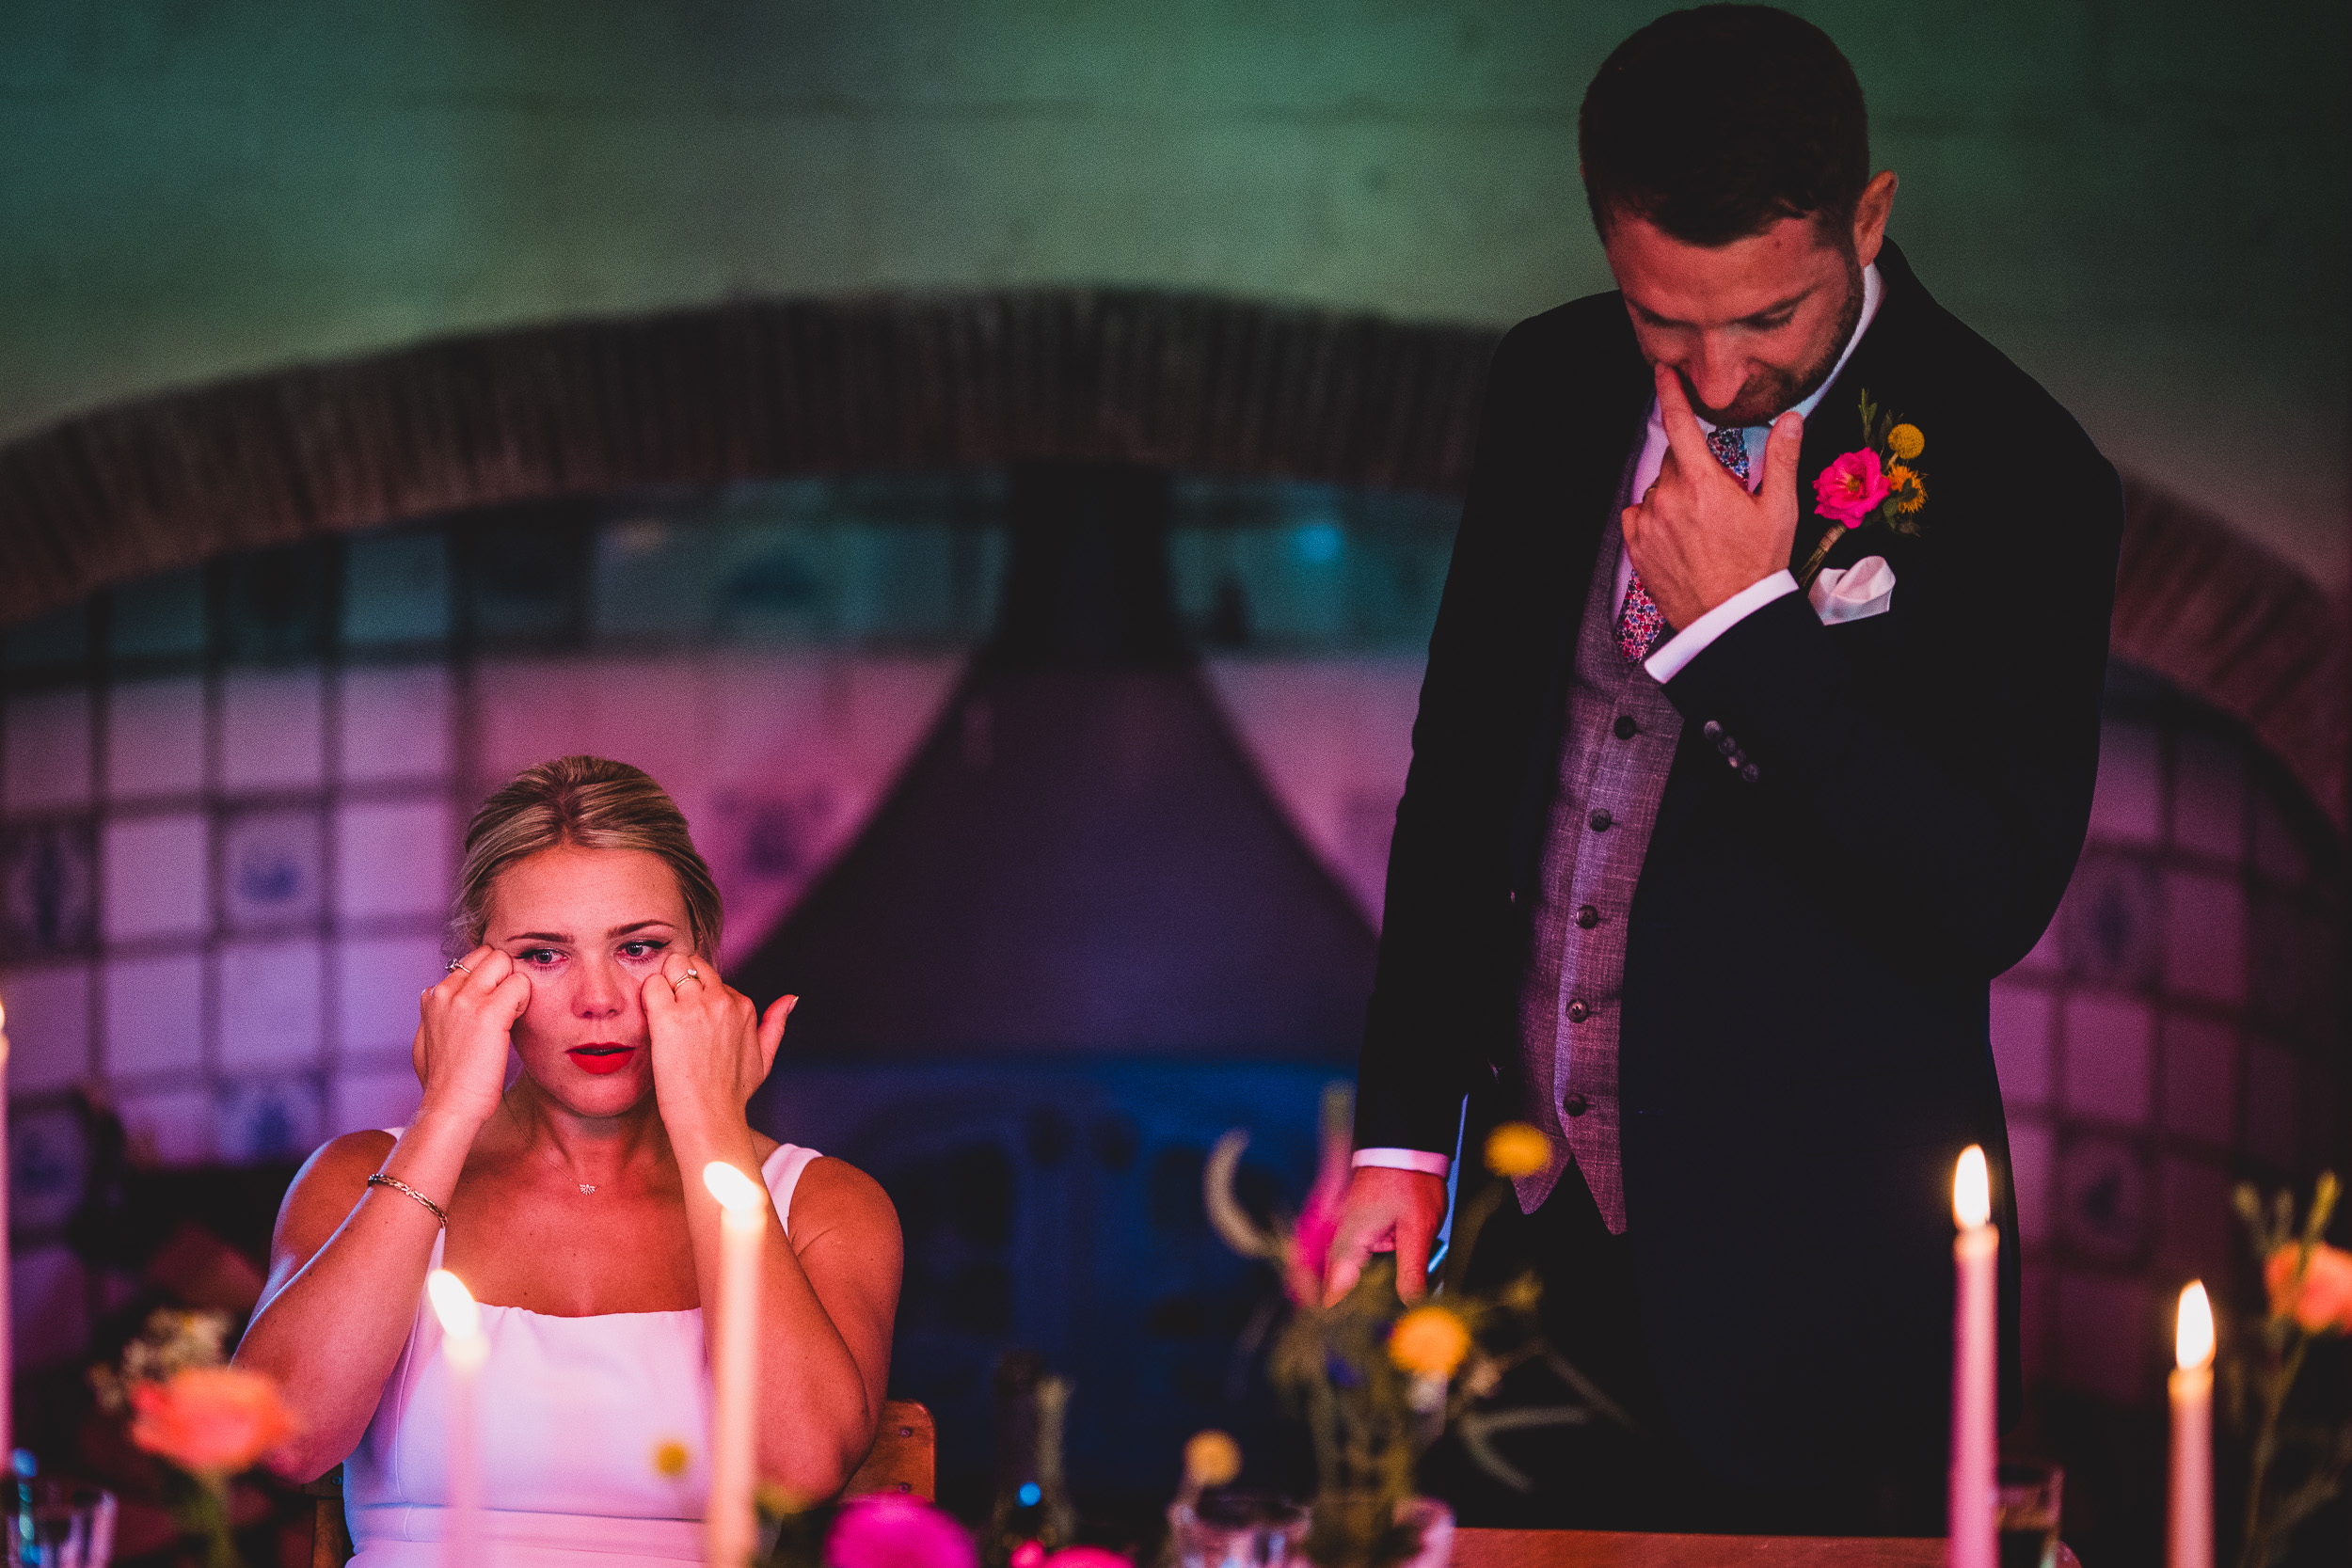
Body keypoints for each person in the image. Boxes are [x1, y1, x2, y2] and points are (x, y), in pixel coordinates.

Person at [1321, 5, 2122, 1533]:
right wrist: (1403, 1131)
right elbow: (1462, 778)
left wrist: (1749, 633)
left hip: (1819, 1292)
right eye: (1661, 320)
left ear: (1867, 218)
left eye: (1767, 317)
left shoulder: (2023, 471)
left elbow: (1986, 894)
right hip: (1524, 1231)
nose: (1717, 367)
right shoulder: (1550, 381)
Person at [237, 755, 902, 1567]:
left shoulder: (825, 1205)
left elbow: (800, 1470)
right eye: (544, 954)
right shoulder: (353, 1178)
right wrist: (446, 1115)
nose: (599, 999)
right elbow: (286, 1441)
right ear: (470, 976)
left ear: (706, 957)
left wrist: (711, 1127)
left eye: (640, 948)